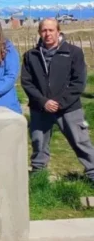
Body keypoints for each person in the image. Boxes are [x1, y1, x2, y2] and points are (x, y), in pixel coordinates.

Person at [22, 19, 94, 181]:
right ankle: (39, 177)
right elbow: (27, 82)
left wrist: (59, 102)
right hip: (40, 108)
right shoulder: (31, 56)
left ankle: (92, 172)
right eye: (44, 30)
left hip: (69, 108)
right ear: (39, 32)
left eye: (51, 30)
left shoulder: (73, 52)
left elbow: (78, 82)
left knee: (81, 141)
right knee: (39, 143)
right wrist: (43, 102)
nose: (47, 34)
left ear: (58, 31)